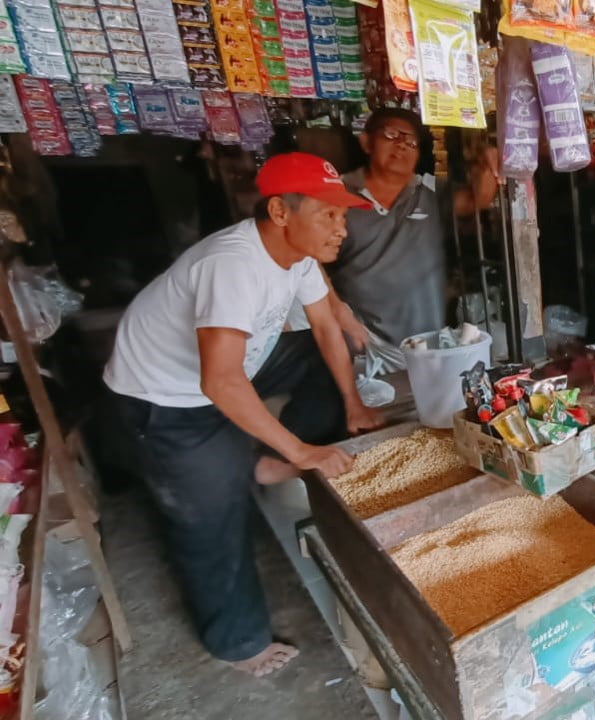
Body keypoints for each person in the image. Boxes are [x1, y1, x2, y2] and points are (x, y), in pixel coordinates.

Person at [104, 153, 384, 677]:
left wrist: (355, 407)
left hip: (229, 370)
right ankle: (238, 642)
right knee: (211, 518)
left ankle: (259, 458)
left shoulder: (299, 256)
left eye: (342, 217)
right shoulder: (233, 264)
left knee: (316, 358)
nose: (341, 229)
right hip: (165, 396)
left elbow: (326, 327)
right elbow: (220, 382)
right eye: (328, 215)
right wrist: (300, 450)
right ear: (281, 211)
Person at [324, 107, 500, 360]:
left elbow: (475, 200)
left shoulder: (429, 191)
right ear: (366, 142)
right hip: (363, 341)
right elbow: (307, 259)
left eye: (411, 141)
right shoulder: (337, 194)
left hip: (425, 342)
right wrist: (337, 310)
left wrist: (488, 163)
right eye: (391, 135)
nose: (402, 145)